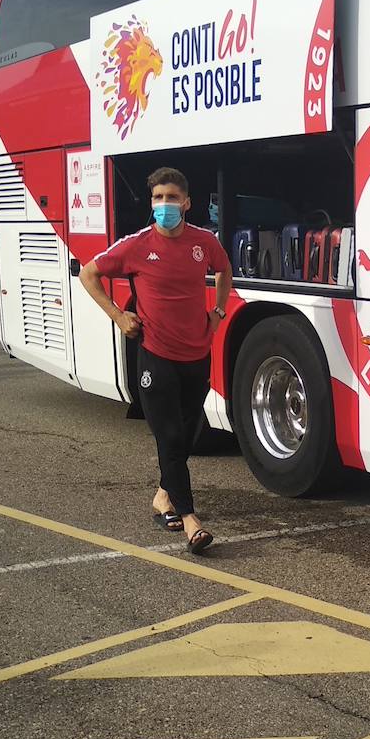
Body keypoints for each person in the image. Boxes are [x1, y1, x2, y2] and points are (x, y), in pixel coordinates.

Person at [79, 168, 232, 555]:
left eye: (171, 198)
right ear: (152, 203)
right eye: (158, 198)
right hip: (155, 355)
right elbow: (88, 273)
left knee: (186, 431)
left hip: (197, 353)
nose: (164, 205)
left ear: (187, 203)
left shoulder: (203, 242)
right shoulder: (136, 245)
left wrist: (219, 311)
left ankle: (163, 497)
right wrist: (118, 315)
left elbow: (224, 269)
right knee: (169, 435)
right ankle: (191, 520)